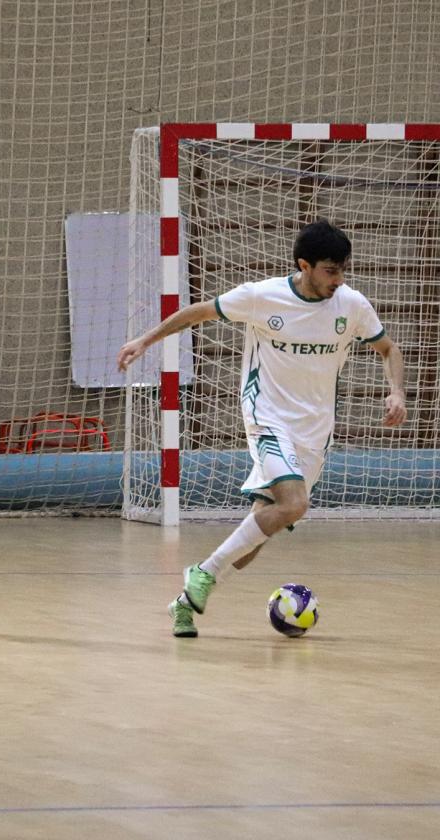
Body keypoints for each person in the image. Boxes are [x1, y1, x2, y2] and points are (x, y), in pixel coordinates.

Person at [117, 219, 407, 638]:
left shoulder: (351, 305)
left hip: (315, 430)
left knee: (254, 540)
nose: (339, 279)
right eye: (330, 270)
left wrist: (396, 391)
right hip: (267, 416)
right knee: (295, 503)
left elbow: (388, 348)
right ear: (304, 265)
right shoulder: (261, 296)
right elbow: (198, 312)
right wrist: (144, 341)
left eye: (343, 270)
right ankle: (202, 573)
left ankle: (185, 602)